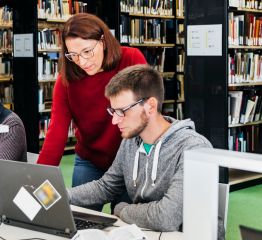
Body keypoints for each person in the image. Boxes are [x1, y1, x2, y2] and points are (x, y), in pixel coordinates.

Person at [67, 65, 222, 238]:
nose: (114, 121)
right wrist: (59, 195)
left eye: (122, 112)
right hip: (147, 232)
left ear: (150, 105)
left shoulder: (194, 148)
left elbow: (166, 217)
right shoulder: (131, 141)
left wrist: (122, 209)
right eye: (113, 111)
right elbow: (106, 187)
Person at [37, 13, 147, 212]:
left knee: (124, 224)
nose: (82, 61)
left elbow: (144, 116)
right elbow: (56, 132)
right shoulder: (67, 77)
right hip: (90, 159)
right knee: (79, 218)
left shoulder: (130, 59)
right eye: (73, 55)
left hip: (130, 163)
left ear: (103, 41)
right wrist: (38, 185)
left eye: (87, 51)